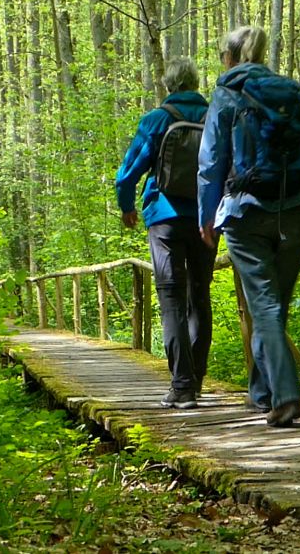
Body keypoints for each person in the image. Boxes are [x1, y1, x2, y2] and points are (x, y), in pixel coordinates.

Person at [197, 26, 300, 428]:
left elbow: (212, 160)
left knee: (265, 307)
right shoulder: (292, 92)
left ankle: (286, 397)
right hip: (297, 210)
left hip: (245, 212)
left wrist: (206, 217)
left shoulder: (226, 93)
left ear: (229, 57)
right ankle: (262, 394)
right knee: (274, 307)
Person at [115, 57, 217, 410]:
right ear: (196, 81)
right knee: (200, 298)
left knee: (172, 298)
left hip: (165, 218)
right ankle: (196, 382)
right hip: (207, 220)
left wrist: (126, 205)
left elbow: (127, 173)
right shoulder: (214, 117)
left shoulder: (158, 120)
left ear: (168, 85)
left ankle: (182, 386)